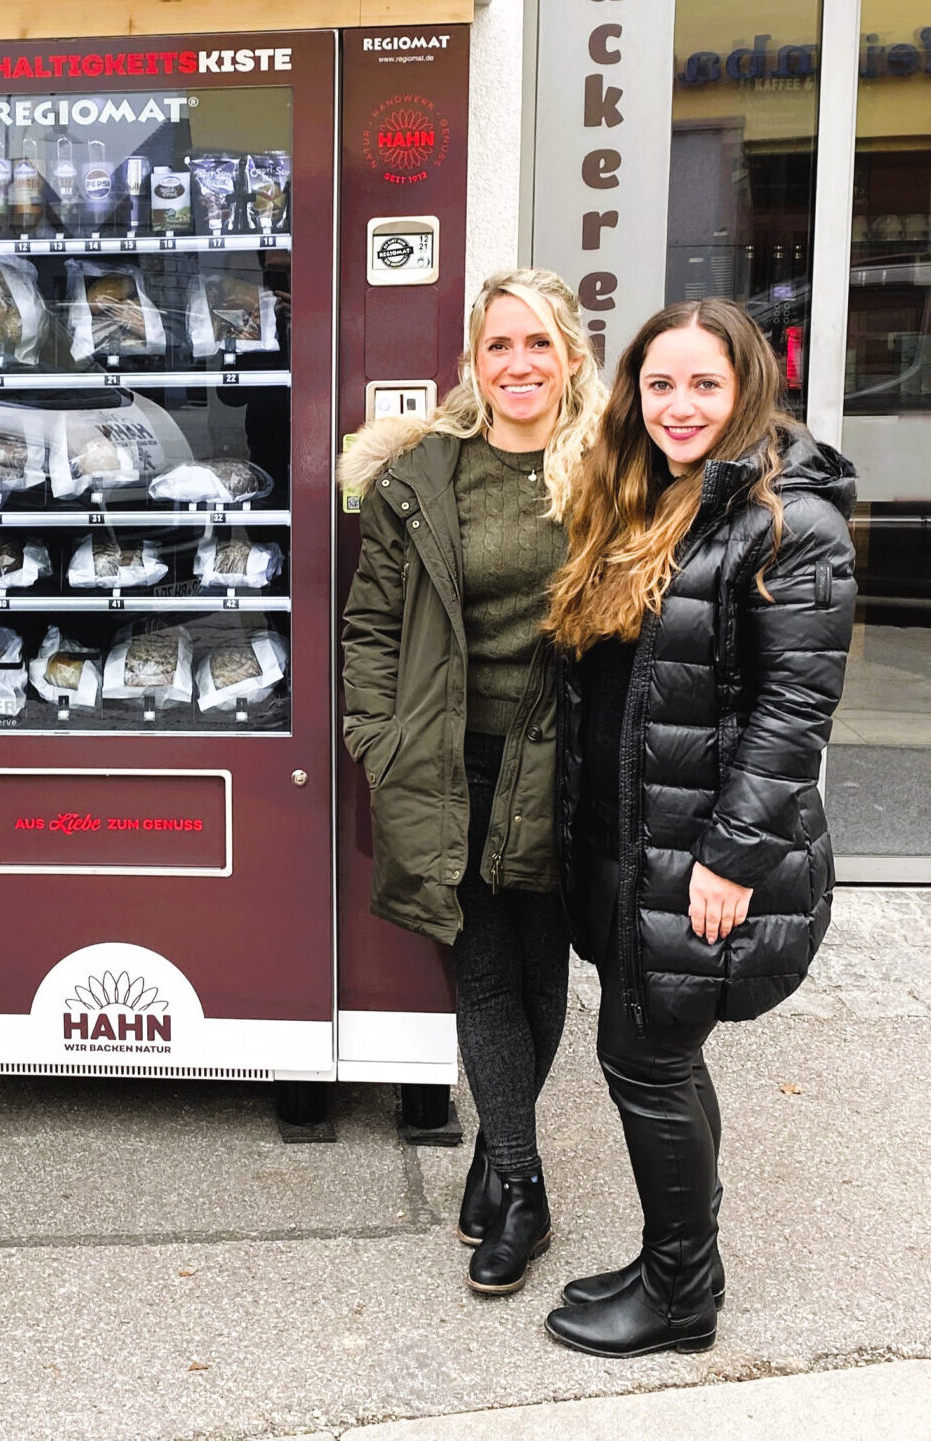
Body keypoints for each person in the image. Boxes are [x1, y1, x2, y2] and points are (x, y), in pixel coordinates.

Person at [542, 298, 856, 1357]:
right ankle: (683, 1263)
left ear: (747, 390)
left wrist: (728, 857)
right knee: (661, 1057)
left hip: (701, 849)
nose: (680, 406)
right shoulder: (653, 497)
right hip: (641, 838)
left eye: (705, 385)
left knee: (643, 1058)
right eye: (660, 383)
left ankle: (681, 1294)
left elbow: (794, 709)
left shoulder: (789, 520)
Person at [340, 269, 605, 1296]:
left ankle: (496, 1152)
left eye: (537, 345)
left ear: (571, 355)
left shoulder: (610, 472)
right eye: (499, 347)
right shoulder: (427, 476)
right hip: (451, 762)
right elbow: (370, 625)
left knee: (546, 978)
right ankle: (524, 1188)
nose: (519, 365)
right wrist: (379, 739)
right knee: (484, 970)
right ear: (473, 362)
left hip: (564, 766)